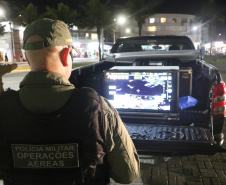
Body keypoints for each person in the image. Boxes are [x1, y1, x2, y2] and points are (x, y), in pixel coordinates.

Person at [0, 18, 139, 185]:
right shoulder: (100, 109)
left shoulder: (3, 109)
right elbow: (127, 174)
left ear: (28, 60)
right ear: (66, 55)